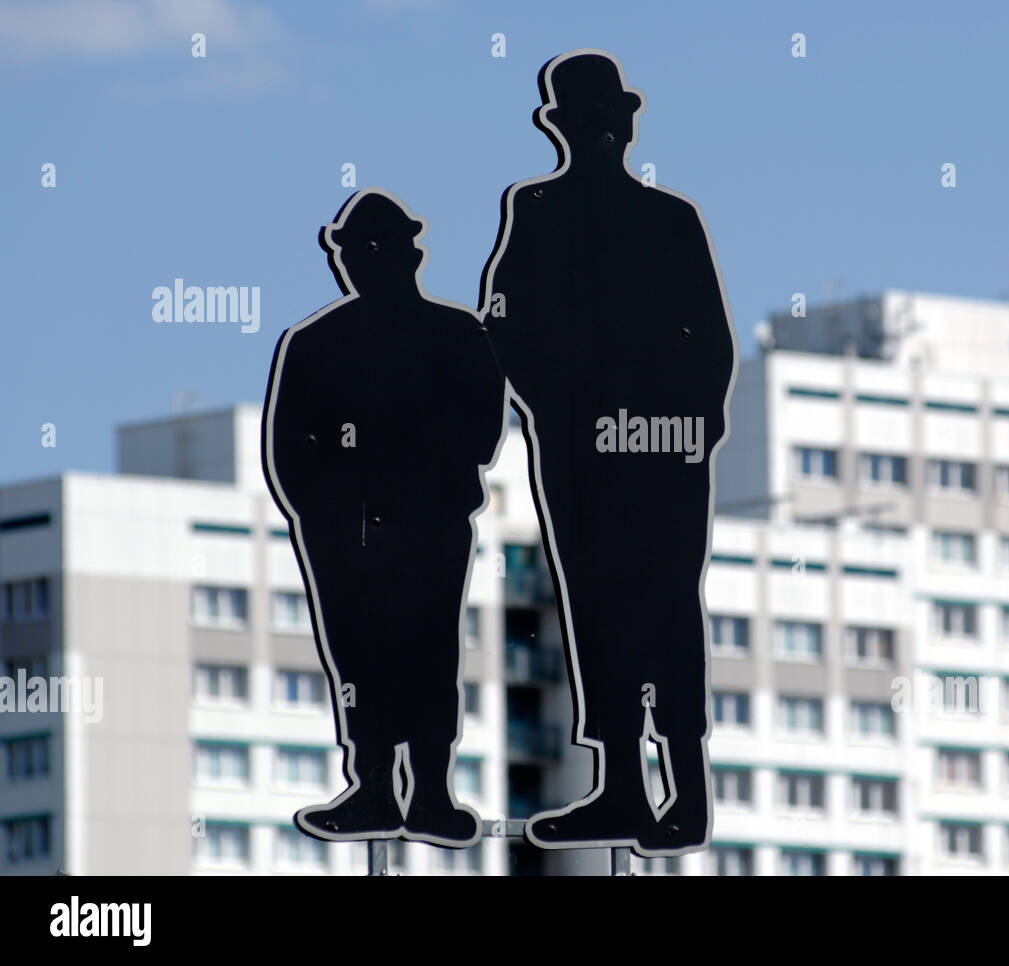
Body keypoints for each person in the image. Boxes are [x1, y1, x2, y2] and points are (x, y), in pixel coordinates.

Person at [482, 49, 737, 856]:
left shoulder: (671, 219)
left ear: (622, 129)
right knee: (601, 611)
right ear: (570, 128)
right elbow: (505, 327)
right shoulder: (538, 210)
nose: (601, 135)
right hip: (589, 449)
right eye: (590, 122)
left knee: (660, 607)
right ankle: (626, 787)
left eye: (607, 122)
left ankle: (684, 793)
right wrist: (559, 404)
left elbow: (713, 344)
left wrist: (688, 424)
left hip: (655, 452)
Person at [262, 188, 506, 848]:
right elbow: (290, 452)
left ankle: (429, 790)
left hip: (428, 528)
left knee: (429, 655)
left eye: (377, 249)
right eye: (354, 252)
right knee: (358, 661)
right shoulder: (315, 344)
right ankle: (372, 784)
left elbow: (482, 430)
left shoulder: (458, 334)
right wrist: (327, 517)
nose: (364, 262)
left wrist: (414, 470)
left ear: (408, 255)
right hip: (346, 535)